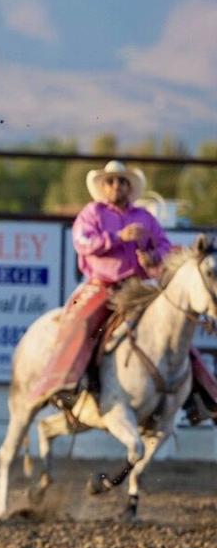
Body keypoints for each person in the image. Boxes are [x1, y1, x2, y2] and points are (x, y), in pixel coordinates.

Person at [31, 160, 217, 405]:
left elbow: (165, 246)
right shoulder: (92, 213)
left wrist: (152, 257)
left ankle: (204, 396)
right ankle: (65, 382)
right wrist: (118, 237)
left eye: (122, 181)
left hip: (137, 286)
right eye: (111, 181)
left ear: (129, 188)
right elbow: (82, 242)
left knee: (174, 327)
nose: (116, 185)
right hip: (102, 284)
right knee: (83, 321)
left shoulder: (144, 217)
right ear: (103, 187)